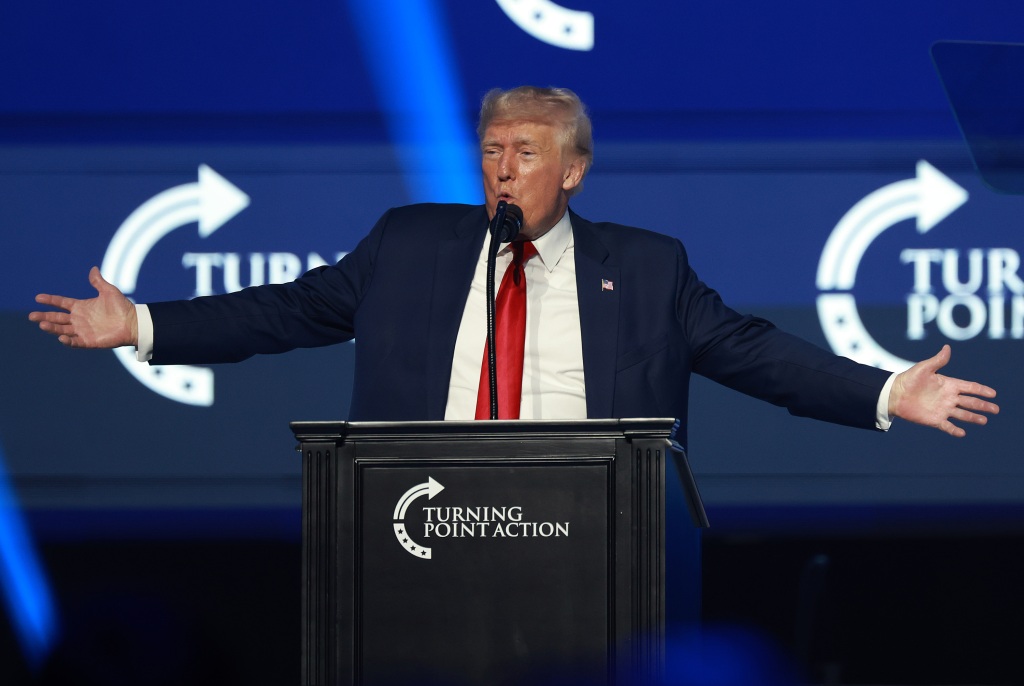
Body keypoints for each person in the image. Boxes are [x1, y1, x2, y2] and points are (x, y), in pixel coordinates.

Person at [29, 86, 998, 441]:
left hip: (587, 528)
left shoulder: (648, 268)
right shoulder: (411, 243)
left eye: (524, 151)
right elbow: (289, 309)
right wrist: (144, 323)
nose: (501, 166)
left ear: (572, 169)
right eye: (491, 149)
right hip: (416, 517)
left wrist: (883, 391)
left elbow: (755, 354)